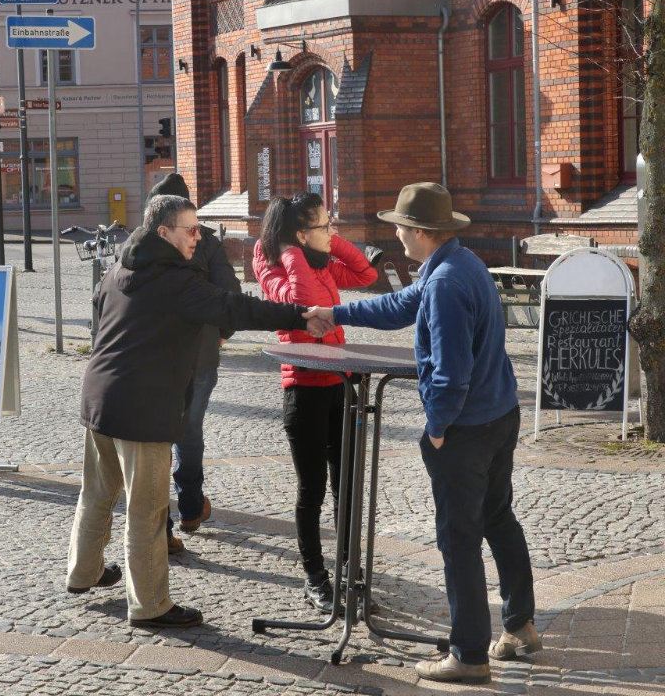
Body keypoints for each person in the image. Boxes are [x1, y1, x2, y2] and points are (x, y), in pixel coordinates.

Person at [304, 182, 539, 685]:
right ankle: (520, 626)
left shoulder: (447, 285)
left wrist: (436, 429)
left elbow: (451, 372)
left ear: (422, 233)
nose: (395, 233)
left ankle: (469, 654)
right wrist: (336, 312)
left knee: (459, 540)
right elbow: (398, 306)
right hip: (498, 417)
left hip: (467, 429)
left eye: (401, 228)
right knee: (498, 518)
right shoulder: (459, 265)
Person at [66, 194, 309, 630]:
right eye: (191, 229)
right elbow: (235, 307)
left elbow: (98, 320)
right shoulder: (174, 278)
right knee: (148, 509)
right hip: (142, 406)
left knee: (99, 491)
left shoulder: (120, 266)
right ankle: (151, 605)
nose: (200, 237)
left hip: (100, 393)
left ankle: (83, 573)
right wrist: (301, 316)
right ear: (163, 233)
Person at [253, 192, 377, 612]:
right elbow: (303, 300)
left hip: (340, 384)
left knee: (346, 486)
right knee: (313, 490)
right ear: (301, 235)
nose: (333, 229)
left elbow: (365, 274)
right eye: (325, 225)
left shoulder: (324, 262)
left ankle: (348, 570)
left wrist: (333, 241)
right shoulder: (274, 269)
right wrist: (291, 252)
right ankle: (315, 576)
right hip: (303, 389)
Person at [146, 173, 242, 555]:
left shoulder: (142, 244)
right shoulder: (209, 245)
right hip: (199, 354)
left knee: (158, 438)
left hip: (155, 358)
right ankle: (189, 506)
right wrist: (222, 332)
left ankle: (163, 525)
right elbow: (231, 295)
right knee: (189, 431)